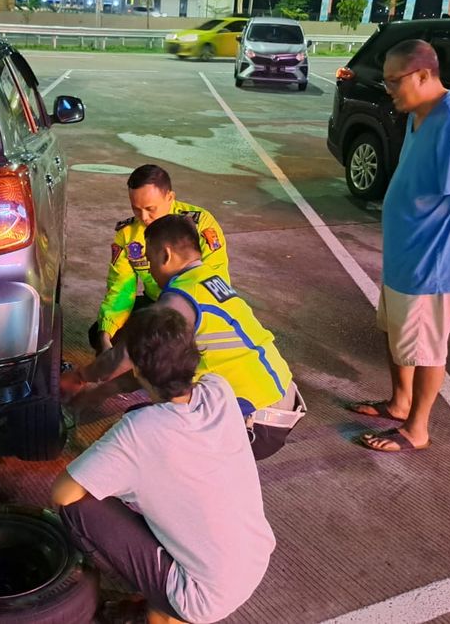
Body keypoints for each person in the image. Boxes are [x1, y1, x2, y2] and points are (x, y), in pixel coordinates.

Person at [51, 306, 275, 624]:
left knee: (79, 505)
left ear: (139, 371)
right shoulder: (219, 390)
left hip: (200, 598)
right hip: (253, 559)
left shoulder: (138, 432)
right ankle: (156, 595)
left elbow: (63, 493)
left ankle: (164, 610)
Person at [347, 39, 450, 453]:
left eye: (395, 81)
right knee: (396, 334)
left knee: (428, 349)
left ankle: (417, 428)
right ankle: (399, 402)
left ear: (425, 75)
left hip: (433, 261)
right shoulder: (417, 113)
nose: (389, 89)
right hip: (406, 254)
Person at [66, 214, 302, 459]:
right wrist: (102, 392)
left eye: (150, 260)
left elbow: (125, 355)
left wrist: (80, 377)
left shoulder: (179, 300)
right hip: (280, 402)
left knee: (136, 434)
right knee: (157, 409)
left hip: (255, 422)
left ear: (166, 255)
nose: (151, 271)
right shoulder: (207, 280)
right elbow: (155, 368)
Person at [91, 164, 229, 354]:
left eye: (150, 209)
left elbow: (214, 280)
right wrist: (106, 334)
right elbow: (121, 290)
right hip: (156, 302)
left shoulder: (201, 225)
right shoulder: (128, 234)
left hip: (195, 307)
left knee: (168, 347)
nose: (144, 217)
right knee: (102, 333)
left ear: (170, 197)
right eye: (136, 209)